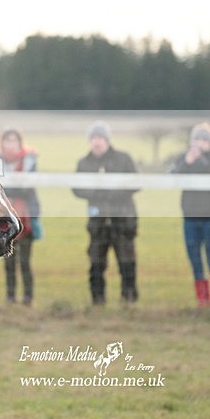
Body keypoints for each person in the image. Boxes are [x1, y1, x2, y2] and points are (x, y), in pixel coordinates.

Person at [72, 121, 139, 305]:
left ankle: (129, 299)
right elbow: (76, 188)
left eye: (100, 138)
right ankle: (98, 301)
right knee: (96, 264)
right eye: (94, 138)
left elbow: (136, 183)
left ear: (107, 140)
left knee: (126, 263)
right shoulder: (84, 163)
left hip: (123, 221)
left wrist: (113, 194)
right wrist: (96, 194)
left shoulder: (123, 159)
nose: (97, 142)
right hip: (97, 223)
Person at [171, 123, 210, 308]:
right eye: (197, 139)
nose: (200, 143)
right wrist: (187, 162)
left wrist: (201, 160)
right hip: (190, 218)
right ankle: (203, 303)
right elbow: (172, 177)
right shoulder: (184, 158)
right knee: (196, 263)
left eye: (204, 140)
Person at [0, 129, 42, 305]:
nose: (11, 144)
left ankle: (28, 297)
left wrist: (8, 188)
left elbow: (28, 188)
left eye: (14, 141)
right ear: (2, 143)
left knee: (25, 262)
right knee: (8, 261)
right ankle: (10, 297)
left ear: (20, 143)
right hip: (3, 219)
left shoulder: (29, 160)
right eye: (7, 140)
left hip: (25, 217)